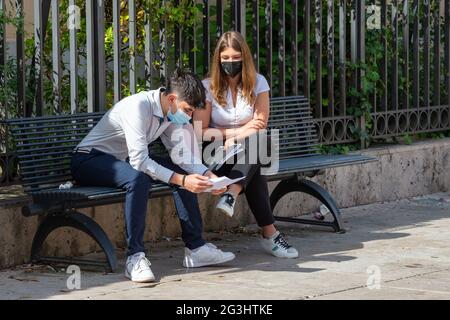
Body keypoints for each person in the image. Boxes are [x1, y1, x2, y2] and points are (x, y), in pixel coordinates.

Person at [71, 69, 235, 283]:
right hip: (88, 161)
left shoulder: (170, 113)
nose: (189, 116)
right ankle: (135, 257)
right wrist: (183, 181)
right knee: (138, 178)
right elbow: (139, 161)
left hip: (120, 161)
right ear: (172, 98)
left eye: (193, 111)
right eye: (187, 109)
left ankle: (196, 248)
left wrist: (208, 175)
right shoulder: (138, 107)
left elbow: (181, 155)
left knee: (182, 171)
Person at [193, 31, 299, 259]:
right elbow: (200, 131)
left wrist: (237, 139)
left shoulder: (258, 83)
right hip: (215, 154)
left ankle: (231, 193)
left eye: (235, 57)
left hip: (246, 152)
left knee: (262, 144)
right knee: (260, 154)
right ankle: (270, 235)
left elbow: (260, 122)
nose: (231, 63)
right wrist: (232, 135)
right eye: (226, 58)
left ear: (245, 57)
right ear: (218, 59)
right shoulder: (207, 87)